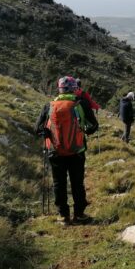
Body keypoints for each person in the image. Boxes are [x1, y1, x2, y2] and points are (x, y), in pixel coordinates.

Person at [35, 76, 99, 224]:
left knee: (59, 183)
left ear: (60, 89)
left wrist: (46, 133)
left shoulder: (49, 106)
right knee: (77, 182)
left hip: (55, 151)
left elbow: (37, 128)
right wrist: (86, 132)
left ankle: (63, 215)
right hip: (76, 151)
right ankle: (79, 215)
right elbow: (93, 126)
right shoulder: (80, 103)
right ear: (74, 89)